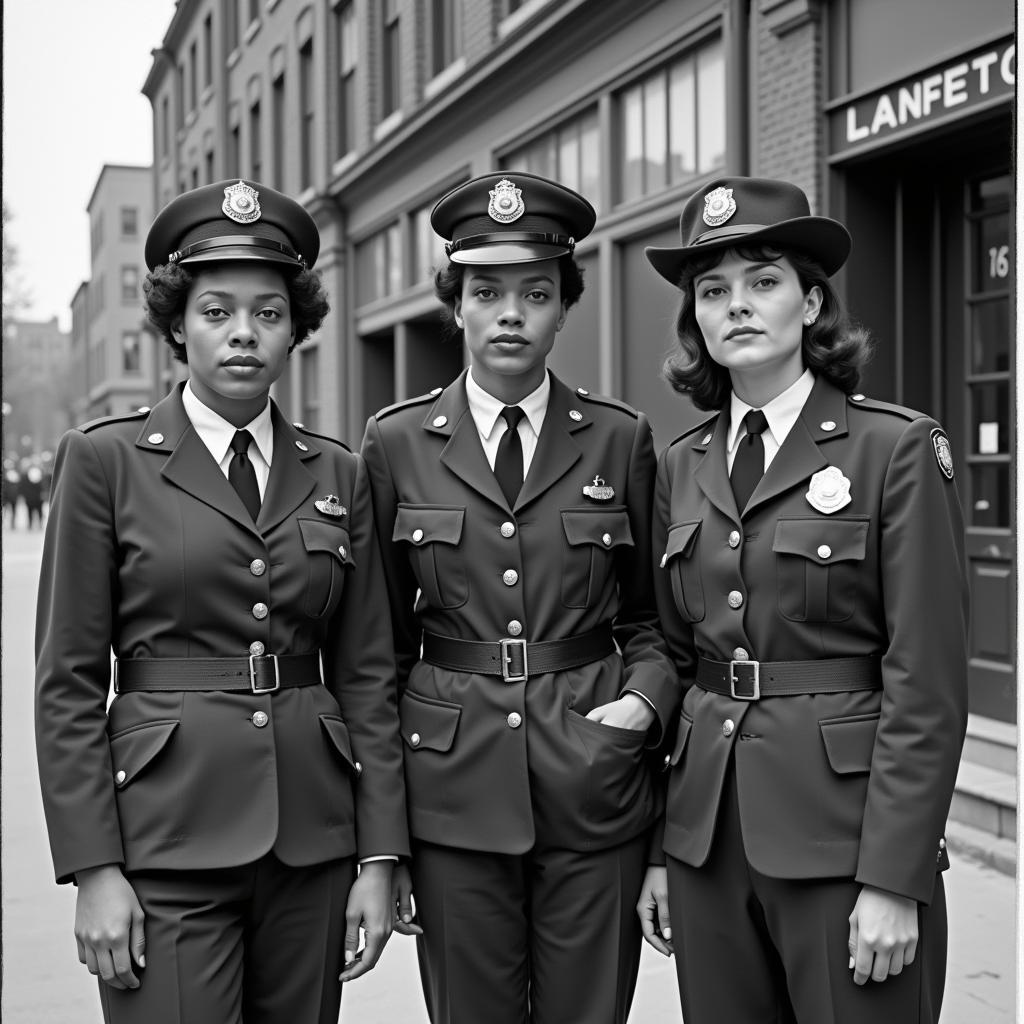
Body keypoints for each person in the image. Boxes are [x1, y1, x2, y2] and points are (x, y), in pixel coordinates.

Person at [35, 179, 409, 1024]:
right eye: (216, 311)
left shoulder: (339, 473)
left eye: (269, 313)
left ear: (296, 328)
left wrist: (380, 855)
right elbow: (64, 681)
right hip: (165, 841)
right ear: (177, 324)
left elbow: (368, 671)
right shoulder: (106, 462)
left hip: (311, 841)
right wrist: (94, 870)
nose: (244, 332)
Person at [636, 176, 968, 1024]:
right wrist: (662, 855)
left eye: (763, 282)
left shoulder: (893, 448)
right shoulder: (677, 466)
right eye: (713, 291)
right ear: (696, 321)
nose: (736, 307)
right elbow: (679, 660)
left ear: (812, 302)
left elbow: (926, 683)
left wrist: (894, 877)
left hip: (843, 843)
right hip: (710, 845)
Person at [360, 171, 677, 1024]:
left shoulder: (620, 437)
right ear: (454, 304)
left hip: (594, 783)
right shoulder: (395, 444)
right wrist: (385, 843)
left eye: (535, 293)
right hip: (452, 793)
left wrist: (644, 705)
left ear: (564, 308)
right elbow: (376, 653)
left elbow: (654, 622)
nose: (510, 313)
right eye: (487, 291)